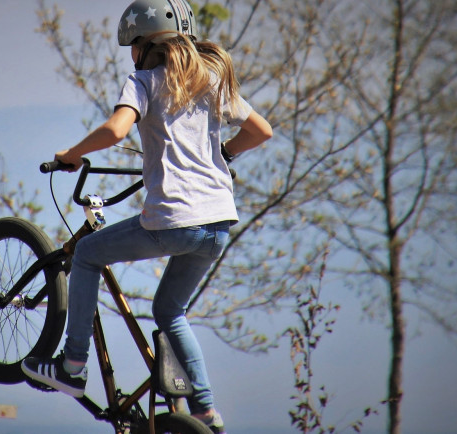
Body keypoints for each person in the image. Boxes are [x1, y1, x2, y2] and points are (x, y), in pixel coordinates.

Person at [22, 1, 272, 432]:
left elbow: (117, 130)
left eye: (132, 45)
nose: (130, 55)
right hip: (217, 225)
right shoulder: (211, 80)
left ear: (144, 44)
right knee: (170, 310)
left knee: (85, 253)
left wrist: (71, 155)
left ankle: (74, 366)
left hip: (173, 219)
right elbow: (260, 131)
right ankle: (205, 413)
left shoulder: (144, 81)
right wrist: (224, 154)